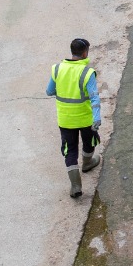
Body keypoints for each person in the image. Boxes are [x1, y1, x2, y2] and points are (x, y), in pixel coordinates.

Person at [47, 37, 102, 198]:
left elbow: (49, 91)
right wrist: (97, 118)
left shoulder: (57, 69)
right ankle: (87, 163)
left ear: (72, 52)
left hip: (66, 120)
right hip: (85, 119)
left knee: (70, 150)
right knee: (89, 142)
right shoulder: (87, 73)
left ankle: (76, 186)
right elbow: (94, 98)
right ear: (85, 53)